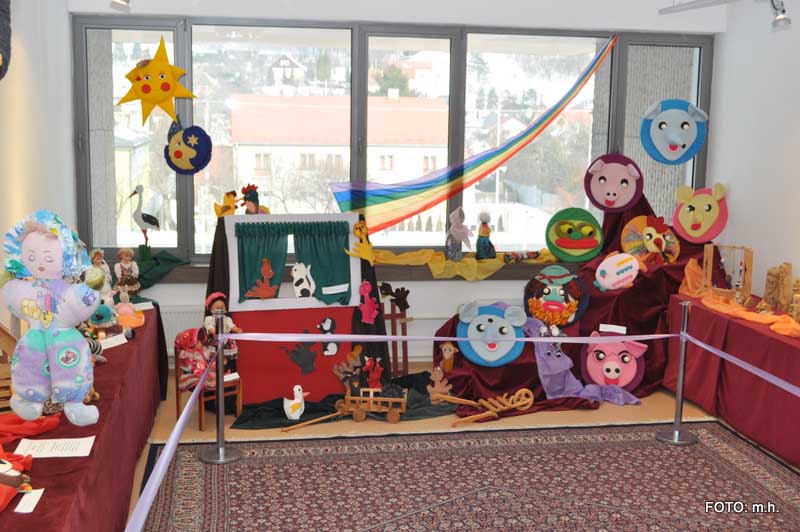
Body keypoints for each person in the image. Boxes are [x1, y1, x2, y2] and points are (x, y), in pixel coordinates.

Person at [204, 292, 242, 358]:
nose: (220, 309)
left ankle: (224, 362)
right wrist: (215, 332)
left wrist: (237, 330)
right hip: (214, 340)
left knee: (224, 356)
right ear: (210, 309)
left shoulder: (227, 319)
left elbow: (231, 326)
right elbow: (209, 328)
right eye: (217, 308)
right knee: (214, 356)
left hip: (225, 340)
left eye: (222, 307)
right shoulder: (209, 319)